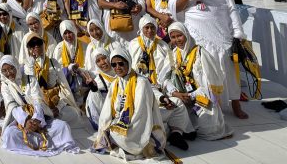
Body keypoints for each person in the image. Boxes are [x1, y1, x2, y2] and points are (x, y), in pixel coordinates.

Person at [169, 0, 248, 119]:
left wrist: (237, 32)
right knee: (203, 70)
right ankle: (212, 105)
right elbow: (175, 9)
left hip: (220, 30)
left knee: (228, 68)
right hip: (197, 33)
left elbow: (230, 6)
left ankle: (235, 104)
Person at [129, 17, 194, 149]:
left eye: (152, 27)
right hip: (140, 86)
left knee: (178, 103)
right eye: (146, 27)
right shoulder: (133, 44)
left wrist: (172, 91)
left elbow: (169, 71)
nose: (149, 30)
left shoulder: (164, 46)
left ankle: (176, 133)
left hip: (160, 85)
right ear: (141, 29)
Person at [0, 54, 79, 156]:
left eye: (11, 68)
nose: (9, 73)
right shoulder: (5, 85)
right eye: (4, 70)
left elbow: (38, 99)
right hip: (22, 121)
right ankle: (38, 141)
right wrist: (26, 121)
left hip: (40, 118)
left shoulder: (29, 78)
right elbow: (11, 106)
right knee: (10, 134)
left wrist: (37, 119)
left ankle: (36, 139)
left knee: (63, 126)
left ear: (16, 66)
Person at [93, 48, 166, 160]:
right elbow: (107, 110)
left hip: (138, 125)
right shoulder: (116, 83)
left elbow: (141, 114)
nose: (117, 67)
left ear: (128, 62)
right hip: (120, 121)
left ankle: (132, 145)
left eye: (121, 63)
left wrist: (121, 127)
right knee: (106, 132)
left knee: (121, 136)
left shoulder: (141, 82)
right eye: (114, 65)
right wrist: (105, 126)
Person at [166, 22, 231, 140]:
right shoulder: (172, 54)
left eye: (179, 36)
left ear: (186, 34)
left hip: (200, 95)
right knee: (171, 108)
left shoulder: (200, 53)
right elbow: (164, 79)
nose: (177, 40)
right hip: (181, 95)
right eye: (173, 37)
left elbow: (209, 85)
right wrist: (175, 93)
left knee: (207, 126)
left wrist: (191, 95)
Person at [84, 47, 117, 129]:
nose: (102, 62)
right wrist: (94, 89)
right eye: (98, 61)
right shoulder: (98, 81)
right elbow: (98, 106)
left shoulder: (120, 71)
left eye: (104, 58)